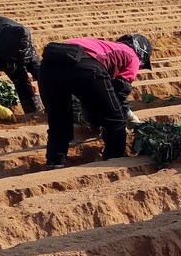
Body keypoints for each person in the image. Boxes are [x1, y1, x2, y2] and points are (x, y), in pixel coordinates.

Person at [38, 33, 150, 167]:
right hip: (84, 65)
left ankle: (55, 162)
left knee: (59, 119)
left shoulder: (104, 45)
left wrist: (94, 117)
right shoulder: (133, 57)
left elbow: (93, 95)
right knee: (116, 120)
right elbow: (118, 92)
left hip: (48, 66)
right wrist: (127, 115)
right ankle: (114, 161)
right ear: (142, 54)